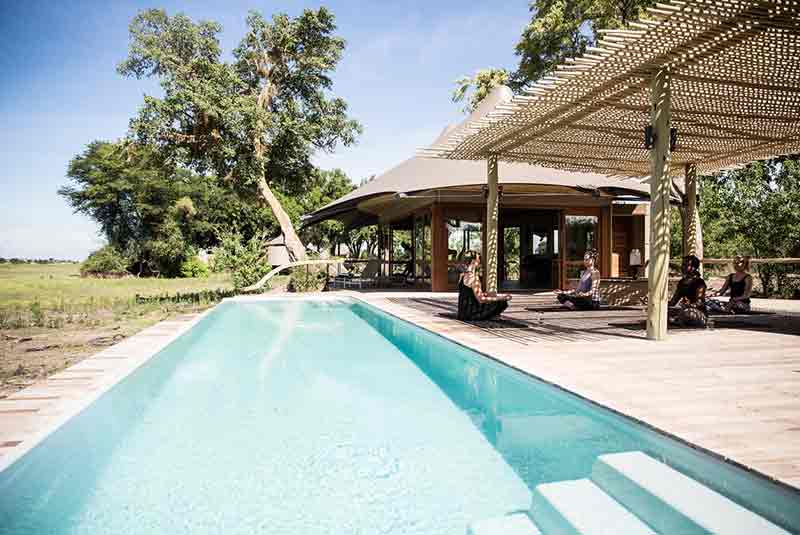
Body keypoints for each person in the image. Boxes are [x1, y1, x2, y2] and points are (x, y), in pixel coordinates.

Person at [457, 252, 512, 321]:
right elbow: (481, 300)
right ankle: (491, 316)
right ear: (474, 261)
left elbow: (467, 294)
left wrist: (485, 294)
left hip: (462, 314)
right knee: (502, 303)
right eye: (478, 259)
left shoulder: (462, 275)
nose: (480, 261)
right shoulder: (474, 278)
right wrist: (502, 298)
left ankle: (491, 315)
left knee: (489, 296)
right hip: (472, 314)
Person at [668, 254, 708, 327]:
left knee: (688, 313)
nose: (682, 267)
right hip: (683, 311)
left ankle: (678, 320)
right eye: (682, 265)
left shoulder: (699, 282)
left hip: (698, 313)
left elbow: (700, 302)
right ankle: (678, 320)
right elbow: (674, 301)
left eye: (685, 265)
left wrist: (688, 305)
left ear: (693, 267)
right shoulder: (682, 282)